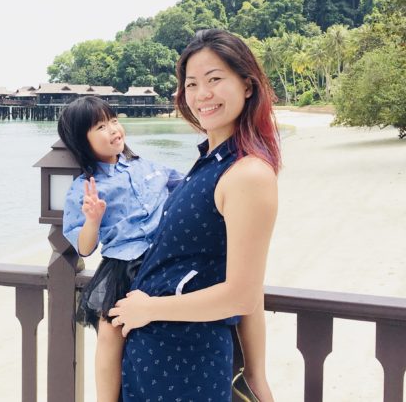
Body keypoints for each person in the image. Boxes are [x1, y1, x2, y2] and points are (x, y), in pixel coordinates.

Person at [59, 95, 272, 402]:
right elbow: (84, 247)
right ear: (82, 141)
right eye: (101, 127)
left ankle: (253, 374)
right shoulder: (85, 187)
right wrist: (93, 219)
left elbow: (189, 188)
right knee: (110, 333)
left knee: (224, 305)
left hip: (163, 258)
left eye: (114, 120)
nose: (113, 130)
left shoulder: (147, 167)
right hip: (123, 264)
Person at [108, 29, 280, 401]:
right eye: (191, 84)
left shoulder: (248, 173)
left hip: (186, 364)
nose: (202, 94)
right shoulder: (208, 165)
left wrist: (150, 308)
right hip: (152, 358)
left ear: (247, 85)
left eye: (215, 79)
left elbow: (243, 295)